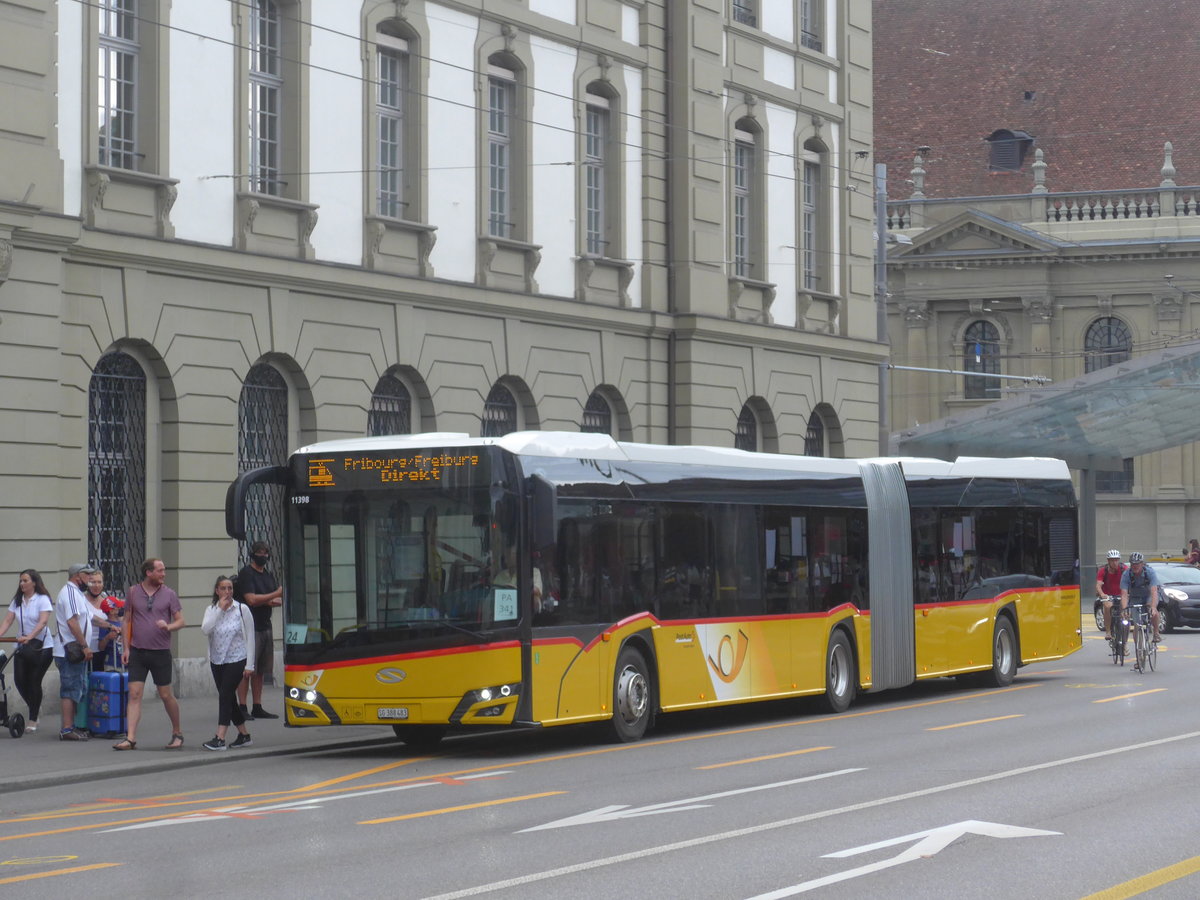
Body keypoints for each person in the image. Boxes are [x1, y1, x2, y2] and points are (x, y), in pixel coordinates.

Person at [113, 558, 184, 750]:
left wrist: (168, 626)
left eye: (164, 570)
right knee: (134, 694)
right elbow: (126, 620)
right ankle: (130, 738)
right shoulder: (134, 592)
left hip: (160, 652)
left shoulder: (169, 594)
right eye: (160, 571)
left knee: (165, 694)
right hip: (137, 651)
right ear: (148, 572)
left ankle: (177, 732)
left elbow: (180, 621)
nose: (163, 574)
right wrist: (126, 648)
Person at [200, 575, 254, 751]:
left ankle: (220, 737)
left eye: (230, 588)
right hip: (217, 659)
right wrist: (219, 611)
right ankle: (244, 735)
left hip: (237, 658)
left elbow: (251, 637)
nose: (227, 592)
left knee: (225, 694)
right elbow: (205, 629)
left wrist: (250, 665)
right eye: (223, 588)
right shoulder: (211, 609)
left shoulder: (241, 609)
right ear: (217, 591)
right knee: (229, 697)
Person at [0, 569, 54, 733]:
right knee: (19, 680)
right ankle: (35, 707)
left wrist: (30, 636)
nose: (22, 583)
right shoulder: (17, 600)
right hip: (23, 646)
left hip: (42, 647)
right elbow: (8, 620)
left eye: (25, 580)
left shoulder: (42, 599)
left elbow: (43, 622)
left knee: (34, 681)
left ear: (34, 582)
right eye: (21, 581)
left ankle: (33, 718)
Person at [234, 541, 283, 720]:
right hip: (249, 627)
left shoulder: (268, 575)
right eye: (260, 552)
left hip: (265, 625)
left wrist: (268, 599)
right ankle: (242, 706)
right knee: (247, 669)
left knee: (260, 670)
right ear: (253, 554)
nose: (263, 556)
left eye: (265, 552)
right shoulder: (247, 573)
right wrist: (274, 595)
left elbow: (273, 601)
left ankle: (257, 705)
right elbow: (251, 600)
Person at [53, 563, 96, 741]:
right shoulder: (70, 592)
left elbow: (90, 618)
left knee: (78, 688)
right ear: (78, 576)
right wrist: (85, 645)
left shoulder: (77, 594)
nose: (91, 579)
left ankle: (74, 726)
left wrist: (109, 625)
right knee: (70, 689)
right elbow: (72, 622)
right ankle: (67, 729)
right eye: (88, 575)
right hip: (70, 650)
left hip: (74, 650)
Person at [1119, 551, 1161, 645]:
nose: (1135, 566)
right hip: (1135, 598)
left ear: (1142, 564)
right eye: (1133, 564)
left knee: (1153, 612)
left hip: (1148, 596)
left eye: (1137, 564)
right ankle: (1139, 649)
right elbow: (1124, 594)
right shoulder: (1126, 575)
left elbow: (1154, 591)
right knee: (1137, 624)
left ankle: (1156, 632)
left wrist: (1153, 607)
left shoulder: (1150, 572)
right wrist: (1125, 609)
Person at [1095, 549, 1125, 641]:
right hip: (1108, 595)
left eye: (1116, 560)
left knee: (1125, 610)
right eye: (1112, 560)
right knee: (1107, 607)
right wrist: (1102, 594)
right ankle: (1108, 631)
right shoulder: (1103, 570)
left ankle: (1124, 638)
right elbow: (1098, 585)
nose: (1115, 562)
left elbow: (1130, 581)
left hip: (1121, 594)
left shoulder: (1124, 569)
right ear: (1108, 561)